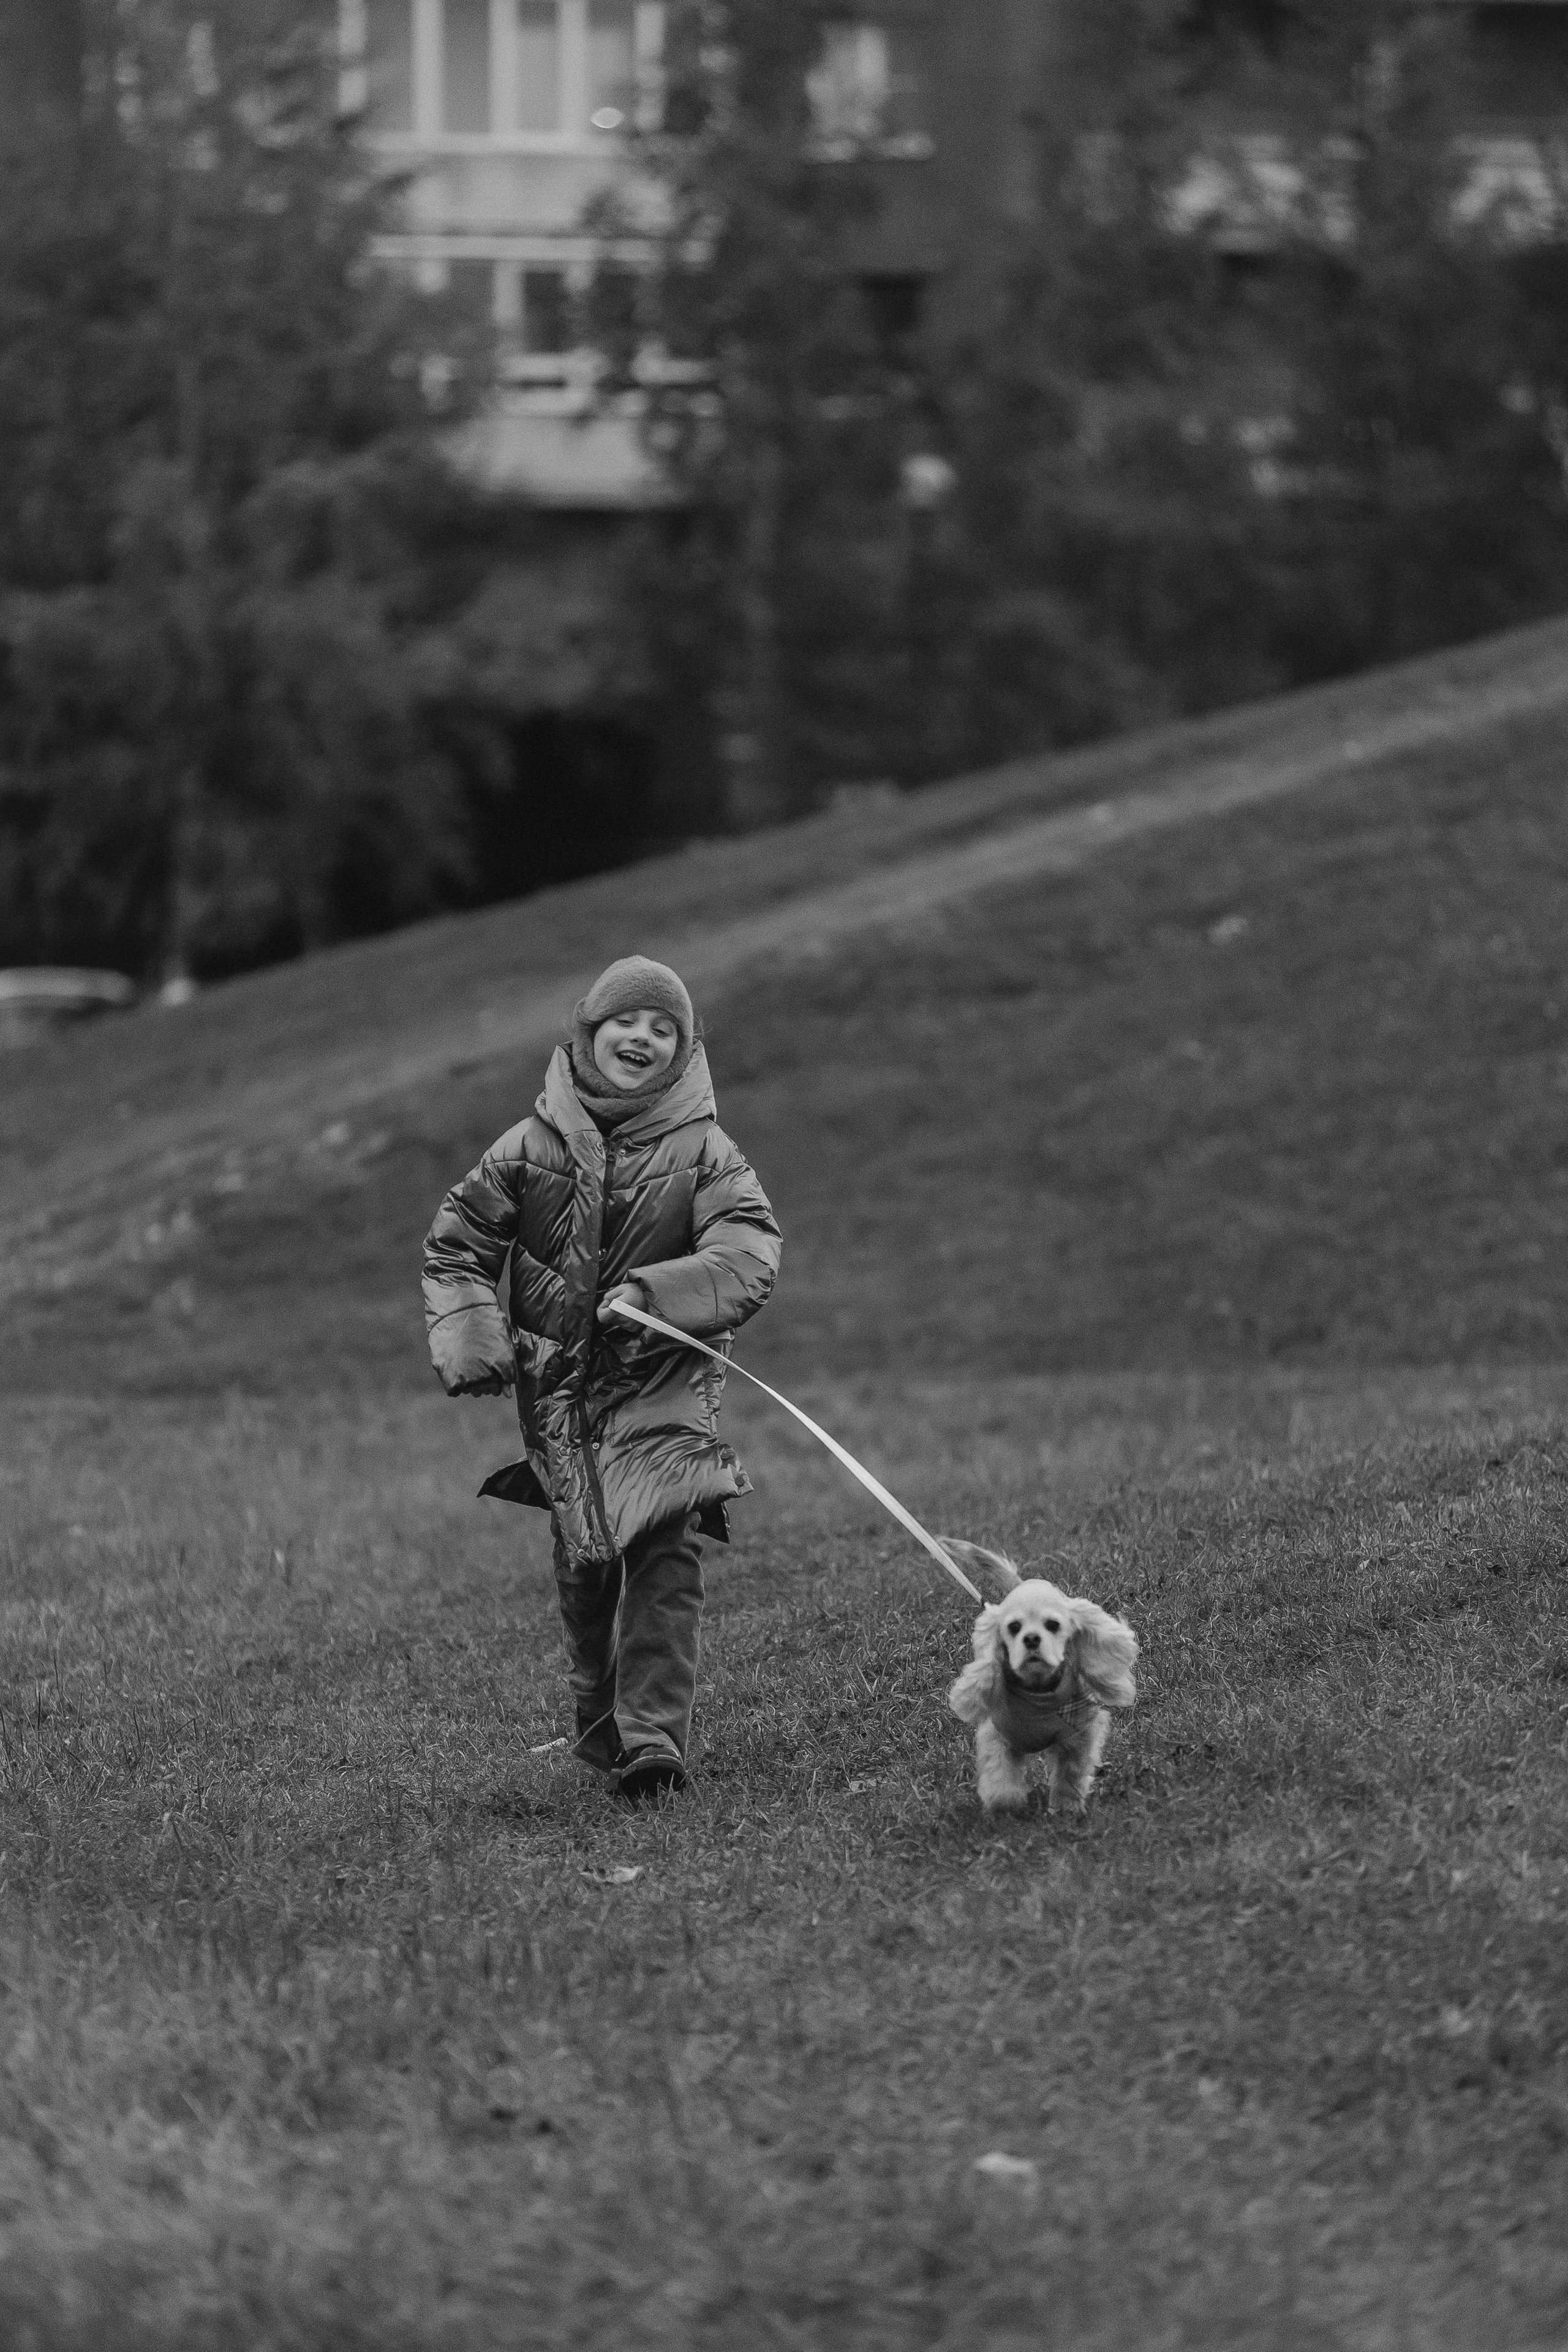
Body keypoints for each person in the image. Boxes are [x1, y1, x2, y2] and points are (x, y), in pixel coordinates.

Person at [421, 957, 782, 1802]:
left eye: (665, 1029)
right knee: (588, 1563)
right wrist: (474, 1333)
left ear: (685, 1050)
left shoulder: (706, 1150)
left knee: (664, 1546)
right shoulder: (529, 1146)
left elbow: (751, 1249)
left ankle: (654, 1739)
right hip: (564, 1400)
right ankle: (599, 1713)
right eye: (629, 1021)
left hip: (665, 1385)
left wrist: (659, 1292)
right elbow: (457, 1243)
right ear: (590, 1029)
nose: (644, 1038)